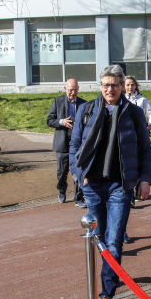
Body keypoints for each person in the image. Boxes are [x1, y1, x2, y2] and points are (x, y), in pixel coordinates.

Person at [70, 65, 151, 299]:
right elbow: (74, 146)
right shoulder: (87, 110)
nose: (110, 89)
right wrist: (79, 177)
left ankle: (106, 294)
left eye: (115, 85)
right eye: (106, 84)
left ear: (122, 86)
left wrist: (145, 179)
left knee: (114, 241)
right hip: (93, 186)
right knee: (101, 239)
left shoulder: (134, 113)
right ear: (100, 86)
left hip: (120, 185)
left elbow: (145, 150)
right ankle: (112, 273)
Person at [123, 75, 151, 241]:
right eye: (127, 85)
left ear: (136, 86)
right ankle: (129, 195)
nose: (130, 88)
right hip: (125, 140)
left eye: (132, 85)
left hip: (139, 138)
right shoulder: (120, 100)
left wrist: (150, 124)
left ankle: (135, 189)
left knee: (137, 166)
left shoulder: (141, 100)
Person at [46, 79, 87, 207]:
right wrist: (61, 122)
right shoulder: (57, 101)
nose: (73, 92)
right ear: (65, 89)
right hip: (62, 143)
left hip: (77, 143)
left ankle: (78, 198)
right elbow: (49, 120)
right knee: (62, 172)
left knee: (78, 170)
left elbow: (89, 122)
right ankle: (62, 189)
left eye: (75, 89)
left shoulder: (84, 104)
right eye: (70, 90)